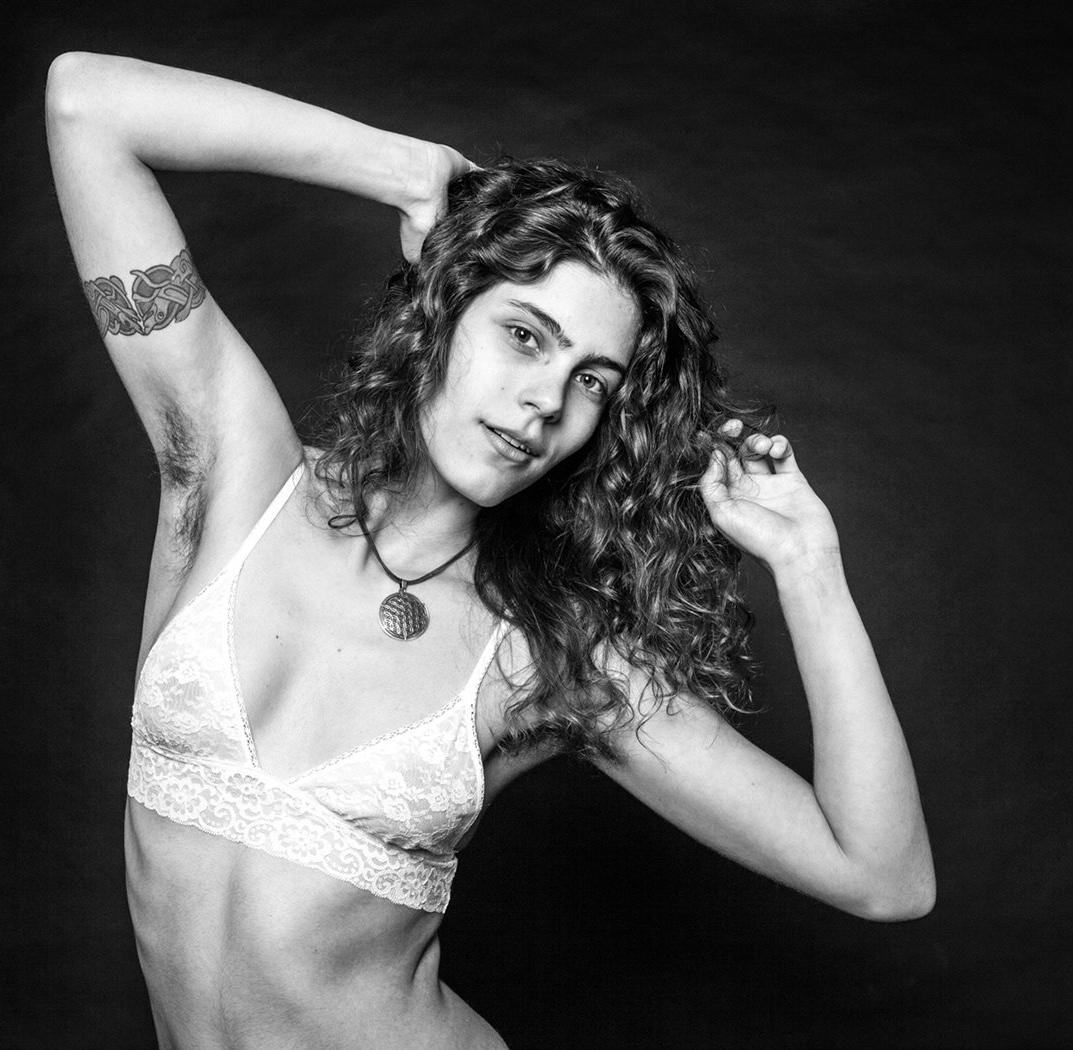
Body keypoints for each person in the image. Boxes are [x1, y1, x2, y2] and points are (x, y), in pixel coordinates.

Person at [45, 51, 934, 1049]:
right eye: (524, 335)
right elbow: (88, 104)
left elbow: (881, 875)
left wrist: (809, 567)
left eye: (591, 380)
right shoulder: (231, 474)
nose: (546, 399)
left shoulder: (542, 659)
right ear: (441, 311)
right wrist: (405, 170)